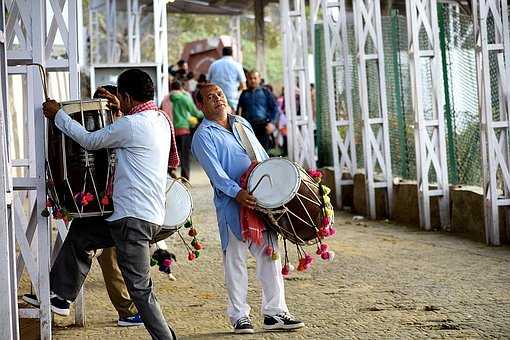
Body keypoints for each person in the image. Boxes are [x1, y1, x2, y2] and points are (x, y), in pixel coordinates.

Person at [23, 69, 177, 340]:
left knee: (140, 290)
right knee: (82, 234)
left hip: (132, 219)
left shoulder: (131, 125)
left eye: (119, 95)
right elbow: (128, 128)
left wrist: (58, 115)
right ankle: (60, 296)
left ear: (126, 97)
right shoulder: (159, 120)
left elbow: (90, 141)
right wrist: (120, 109)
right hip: (137, 215)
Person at [191, 84, 305, 334]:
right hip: (233, 205)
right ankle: (239, 315)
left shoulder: (241, 122)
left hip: (260, 201)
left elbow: (261, 156)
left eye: (219, 94)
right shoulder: (203, 136)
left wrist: (277, 186)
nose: (218, 99)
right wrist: (237, 193)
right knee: (235, 261)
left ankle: (275, 313)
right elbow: (216, 175)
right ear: (201, 105)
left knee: (270, 257)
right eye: (210, 97)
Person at [166, 80, 203, 180]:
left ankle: (171, 169)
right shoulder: (184, 98)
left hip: (170, 130)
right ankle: (185, 177)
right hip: (183, 130)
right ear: (181, 88)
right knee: (184, 155)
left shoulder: (166, 99)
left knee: (172, 152)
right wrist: (204, 114)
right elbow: (195, 112)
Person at [237, 70, 279, 151]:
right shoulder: (244, 94)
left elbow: (275, 109)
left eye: (255, 78)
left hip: (263, 127)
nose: (252, 80)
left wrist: (272, 123)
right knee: (250, 153)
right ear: (247, 79)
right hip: (248, 128)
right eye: (250, 78)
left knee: (264, 154)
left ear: (259, 79)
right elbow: (239, 112)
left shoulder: (265, 92)